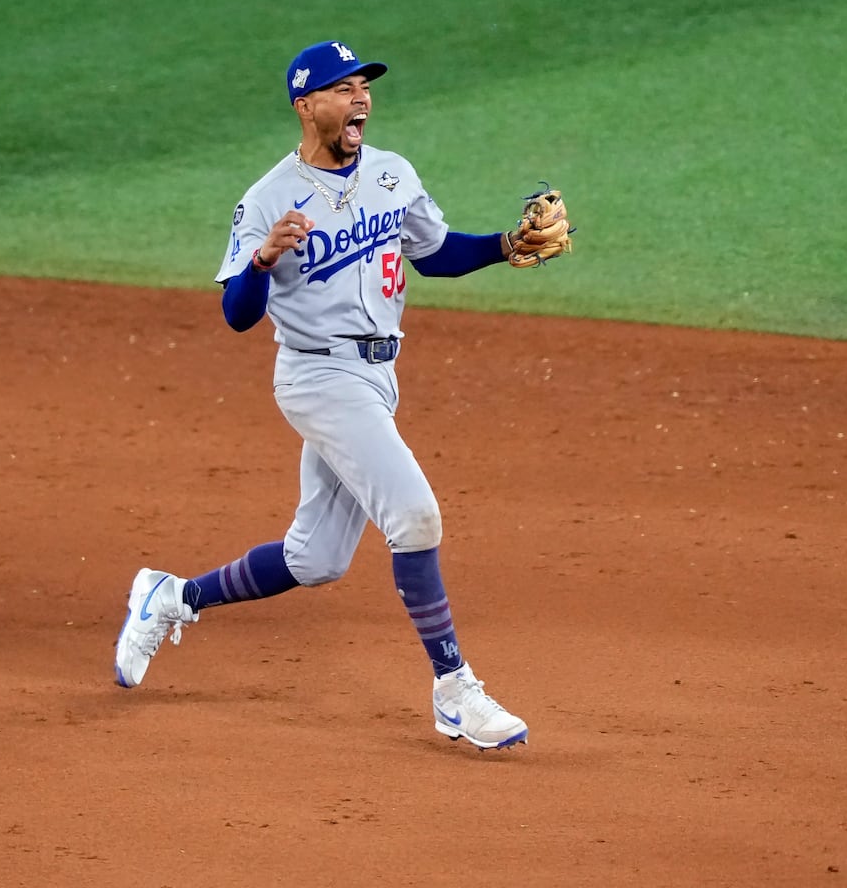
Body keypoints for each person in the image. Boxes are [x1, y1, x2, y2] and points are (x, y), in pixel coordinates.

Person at [113, 39, 556, 750]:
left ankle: (172, 596)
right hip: (318, 377)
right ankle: (454, 689)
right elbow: (237, 315)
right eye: (343, 88)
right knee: (414, 516)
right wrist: (262, 260)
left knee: (316, 559)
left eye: (365, 87)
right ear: (305, 104)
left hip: (378, 377)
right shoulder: (266, 199)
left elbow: (434, 253)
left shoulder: (391, 173)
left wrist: (507, 245)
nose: (362, 99)